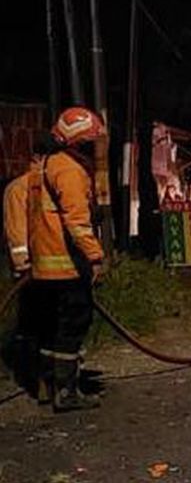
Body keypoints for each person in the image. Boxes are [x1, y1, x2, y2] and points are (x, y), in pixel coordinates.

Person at [28, 107, 107, 412]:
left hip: (44, 265)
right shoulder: (69, 170)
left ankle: (46, 385)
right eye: (90, 141)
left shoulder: (43, 166)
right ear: (78, 142)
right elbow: (77, 222)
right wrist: (94, 256)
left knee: (50, 326)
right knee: (73, 325)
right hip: (67, 265)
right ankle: (66, 391)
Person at [2, 132, 54, 396]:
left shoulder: (49, 186)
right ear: (37, 158)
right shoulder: (19, 189)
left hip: (52, 270)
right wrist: (22, 264)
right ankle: (35, 379)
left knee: (51, 326)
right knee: (33, 326)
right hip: (30, 273)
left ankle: (49, 380)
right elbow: (17, 232)